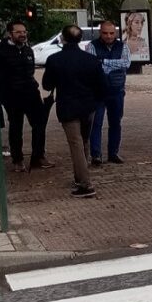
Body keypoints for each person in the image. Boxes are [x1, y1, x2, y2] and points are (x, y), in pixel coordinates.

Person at [42, 26, 106, 198]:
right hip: (88, 106)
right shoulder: (92, 60)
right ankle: (80, 177)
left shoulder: (55, 59)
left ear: (63, 38)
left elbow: (47, 85)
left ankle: (85, 184)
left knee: (76, 144)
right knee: (83, 141)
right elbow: (101, 86)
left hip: (68, 107)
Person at [0, 21, 53, 172]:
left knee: (39, 123)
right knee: (16, 127)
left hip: (31, 93)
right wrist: (5, 94)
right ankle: (17, 159)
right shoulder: (0, 52)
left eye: (24, 32)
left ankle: (38, 157)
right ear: (9, 34)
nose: (22, 34)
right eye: (18, 32)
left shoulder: (28, 50)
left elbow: (30, 72)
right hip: (12, 96)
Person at [88, 20, 131, 166]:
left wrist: (104, 62)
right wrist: (113, 64)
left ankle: (113, 153)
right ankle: (96, 155)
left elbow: (126, 63)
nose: (108, 36)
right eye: (105, 33)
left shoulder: (122, 46)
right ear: (100, 32)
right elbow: (93, 65)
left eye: (111, 33)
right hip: (98, 92)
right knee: (96, 124)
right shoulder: (92, 46)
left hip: (117, 90)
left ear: (116, 33)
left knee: (115, 123)